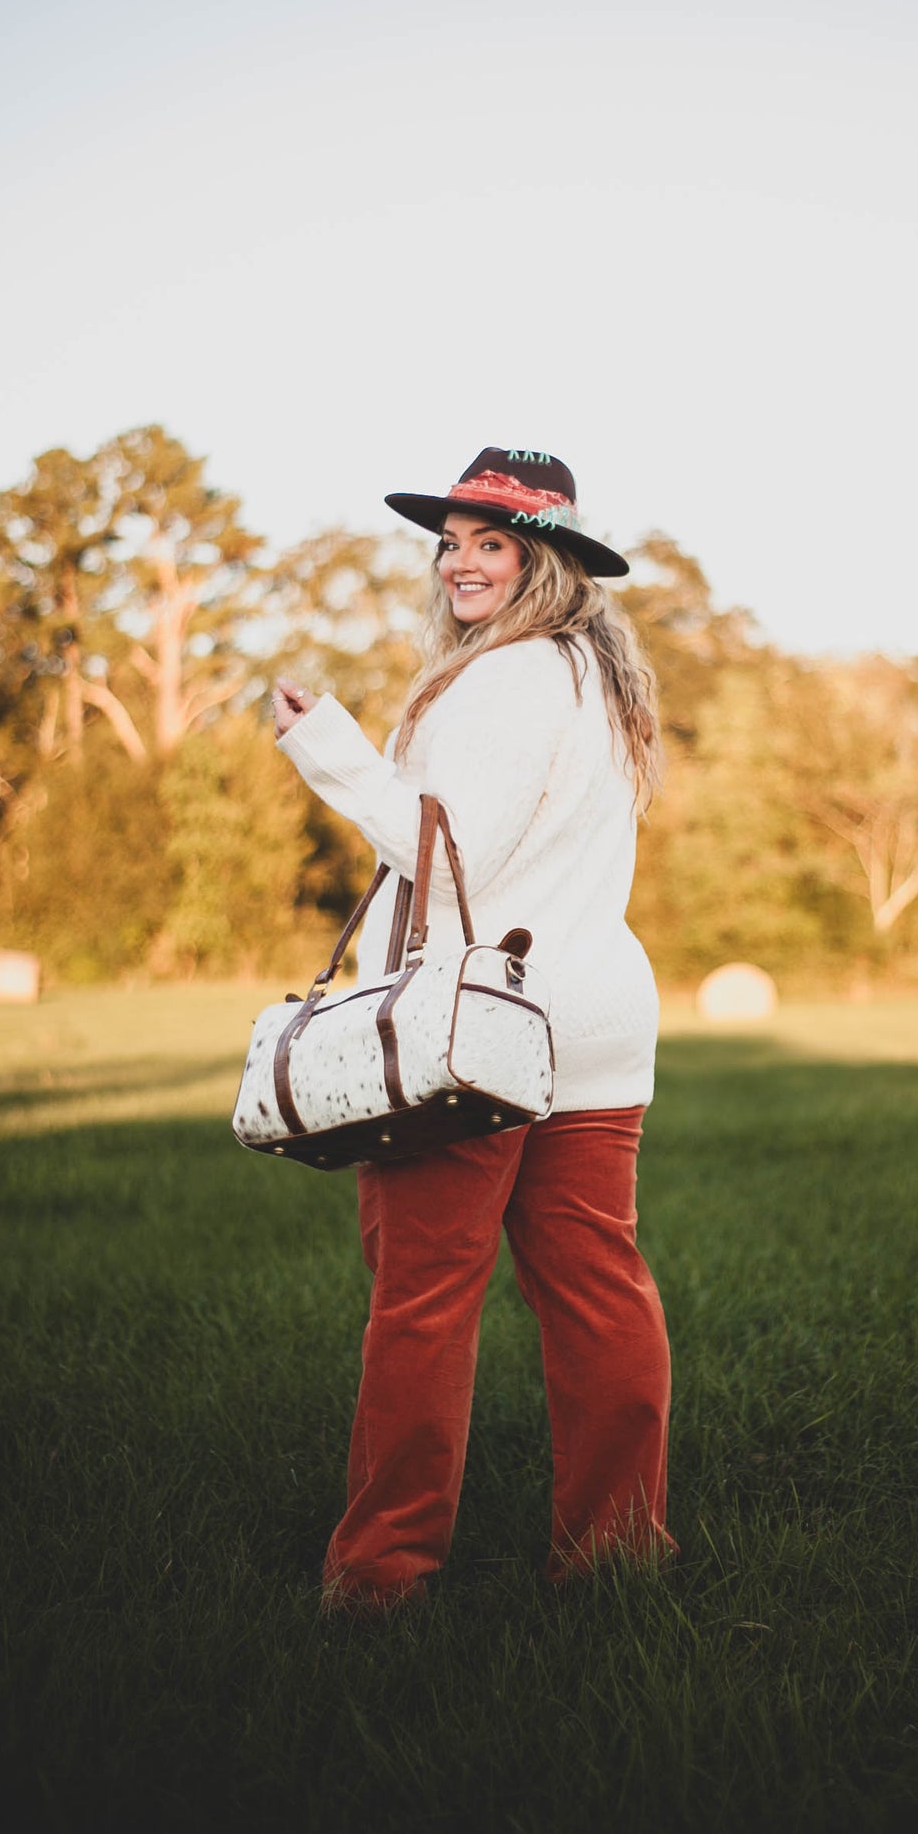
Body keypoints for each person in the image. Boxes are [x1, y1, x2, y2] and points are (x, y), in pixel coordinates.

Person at [271, 447, 675, 1608]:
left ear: (540, 557)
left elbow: (448, 846)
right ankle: (618, 1550)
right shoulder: (600, 678)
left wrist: (327, 746)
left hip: (484, 1038)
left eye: (489, 542)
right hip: (592, 1021)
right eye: (449, 540)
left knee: (421, 1302)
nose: (459, 561)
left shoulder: (507, 679)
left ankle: (380, 1573)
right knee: (599, 1289)